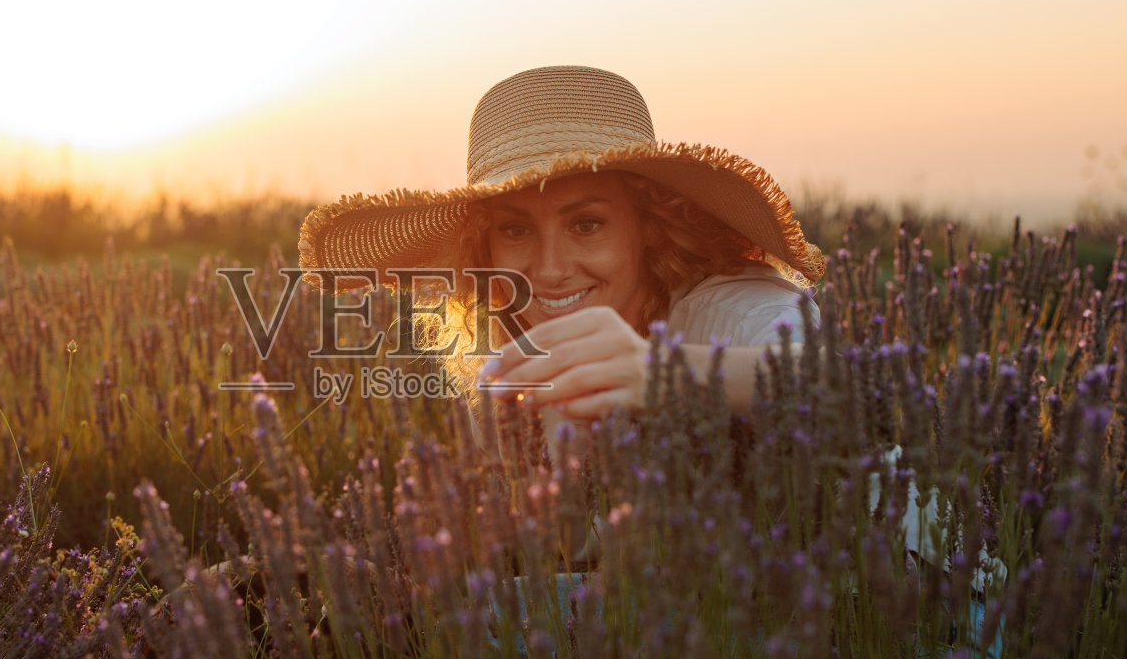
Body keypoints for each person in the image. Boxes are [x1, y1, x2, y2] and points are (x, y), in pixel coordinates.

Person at [298, 64, 825, 440]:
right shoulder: (510, 355)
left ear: (648, 226)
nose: (549, 270)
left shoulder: (730, 308)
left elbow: (834, 385)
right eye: (515, 231)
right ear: (482, 252)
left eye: (587, 224)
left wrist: (659, 373)